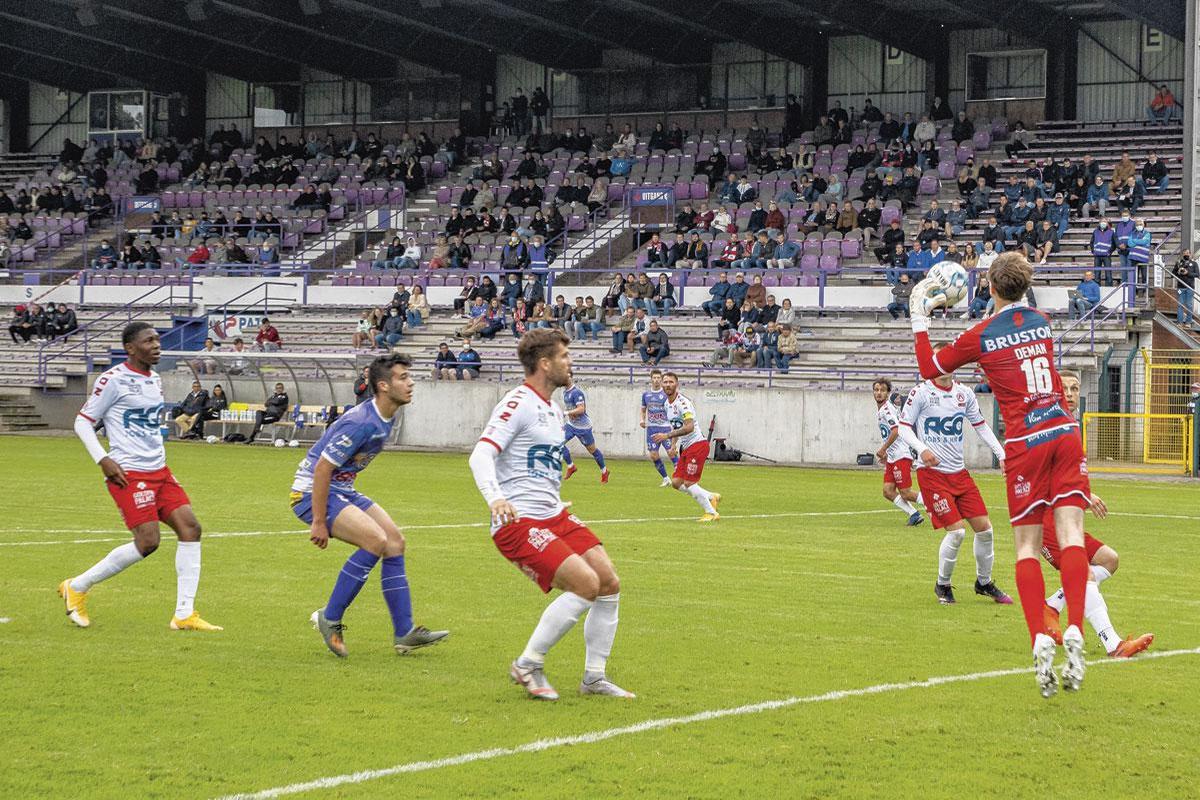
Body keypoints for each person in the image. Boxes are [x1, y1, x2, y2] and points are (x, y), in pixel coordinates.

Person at [909, 252, 1092, 697]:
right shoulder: (1043, 321)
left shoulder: (980, 334)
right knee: (1070, 537)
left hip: (1025, 440)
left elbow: (929, 369)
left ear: (989, 288)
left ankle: (1038, 638)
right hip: (1064, 431)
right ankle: (1073, 627)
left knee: (1028, 546)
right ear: (1026, 286)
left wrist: (919, 317)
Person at [468, 329, 632, 700]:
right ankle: (528, 663)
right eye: (563, 356)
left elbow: (537, 465)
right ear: (545, 364)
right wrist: (495, 498)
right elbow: (481, 454)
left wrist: (554, 501)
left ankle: (594, 677)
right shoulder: (517, 403)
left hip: (552, 515)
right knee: (586, 584)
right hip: (517, 522)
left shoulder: (555, 410)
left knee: (608, 582)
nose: (569, 362)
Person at [59, 322, 221, 631]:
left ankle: (184, 614)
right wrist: (103, 459)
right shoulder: (113, 380)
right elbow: (83, 422)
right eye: (149, 341)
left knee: (191, 528)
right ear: (131, 348)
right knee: (148, 542)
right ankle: (78, 586)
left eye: (158, 340)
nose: (157, 345)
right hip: (128, 473)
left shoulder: (155, 379)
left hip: (159, 470)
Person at [292, 354, 448, 658]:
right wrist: (319, 521)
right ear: (383, 385)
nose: (411, 382)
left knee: (394, 542)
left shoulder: (385, 416)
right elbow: (323, 469)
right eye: (403, 377)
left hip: (342, 489)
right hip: (311, 492)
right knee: (375, 540)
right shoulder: (361, 423)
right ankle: (330, 617)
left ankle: (404, 632)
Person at [1039, 371, 1153, 658]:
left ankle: (1051, 605)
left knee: (1109, 559)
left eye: (1075, 388)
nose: (1070, 393)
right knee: (1085, 574)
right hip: (1046, 521)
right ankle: (1113, 644)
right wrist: (1083, 495)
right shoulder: (1048, 426)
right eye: (1063, 388)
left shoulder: (1070, 424)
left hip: (1067, 518)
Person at [897, 365, 1012, 605]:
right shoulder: (921, 393)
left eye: (946, 362)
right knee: (957, 531)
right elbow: (904, 427)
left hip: (959, 474)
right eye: (937, 363)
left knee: (985, 530)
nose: (941, 368)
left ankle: (984, 583)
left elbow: (980, 425)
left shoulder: (965, 394)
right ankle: (943, 584)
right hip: (932, 474)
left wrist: (1001, 453)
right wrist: (922, 449)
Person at [654, 372, 721, 522]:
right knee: (676, 483)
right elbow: (676, 425)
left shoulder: (683, 403)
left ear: (677, 385)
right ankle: (711, 496)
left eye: (671, 382)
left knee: (689, 483)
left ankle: (711, 513)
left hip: (697, 445)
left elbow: (689, 427)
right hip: (687, 447)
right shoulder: (666, 404)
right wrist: (673, 445)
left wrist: (667, 436)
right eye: (665, 382)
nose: (667, 385)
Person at [872, 378, 924, 526]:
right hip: (893, 456)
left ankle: (935, 504)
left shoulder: (887, 410)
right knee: (888, 491)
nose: (879, 393)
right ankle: (914, 514)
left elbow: (896, 430)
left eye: (882, 390)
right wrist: (887, 453)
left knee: (906, 492)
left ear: (888, 393)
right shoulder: (883, 410)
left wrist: (883, 449)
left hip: (901, 455)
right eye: (876, 390)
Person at [561, 379, 609, 484]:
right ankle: (571, 466)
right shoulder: (565, 392)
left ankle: (604, 471)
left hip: (583, 427)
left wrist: (566, 412)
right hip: (571, 425)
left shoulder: (576, 392)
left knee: (592, 450)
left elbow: (581, 409)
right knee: (557, 442)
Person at [640, 369, 679, 486]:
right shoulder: (646, 395)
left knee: (671, 452)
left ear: (661, 380)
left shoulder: (666, 394)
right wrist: (642, 419)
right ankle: (666, 478)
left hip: (665, 427)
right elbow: (643, 409)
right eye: (654, 378)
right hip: (651, 428)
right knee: (653, 455)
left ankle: (680, 475)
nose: (656, 380)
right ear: (651, 379)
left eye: (658, 378)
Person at [1172, 250, 1197, 326]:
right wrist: (1178, 272)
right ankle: (1179, 322)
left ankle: (1188, 322)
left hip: (1190, 287)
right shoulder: (1179, 263)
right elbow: (1173, 274)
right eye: (1185, 253)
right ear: (1182, 254)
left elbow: (1197, 274)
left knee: (1189, 305)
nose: (1186, 254)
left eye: (1188, 253)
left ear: (1190, 254)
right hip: (1180, 288)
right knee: (1180, 305)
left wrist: (1187, 273)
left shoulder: (1194, 264)